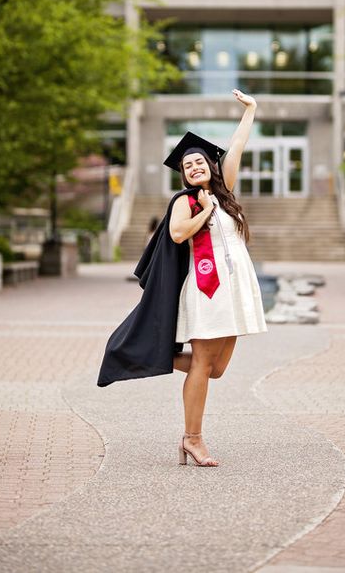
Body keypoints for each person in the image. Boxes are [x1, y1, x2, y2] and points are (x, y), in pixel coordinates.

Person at [97, 89, 267, 468]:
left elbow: (236, 147)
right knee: (204, 363)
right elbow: (177, 235)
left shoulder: (225, 197)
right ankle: (193, 439)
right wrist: (203, 212)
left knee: (216, 369)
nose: (193, 167)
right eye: (187, 165)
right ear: (183, 174)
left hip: (235, 290)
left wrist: (251, 111)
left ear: (211, 166)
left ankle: (156, 352)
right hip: (207, 291)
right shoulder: (185, 202)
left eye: (199, 162)